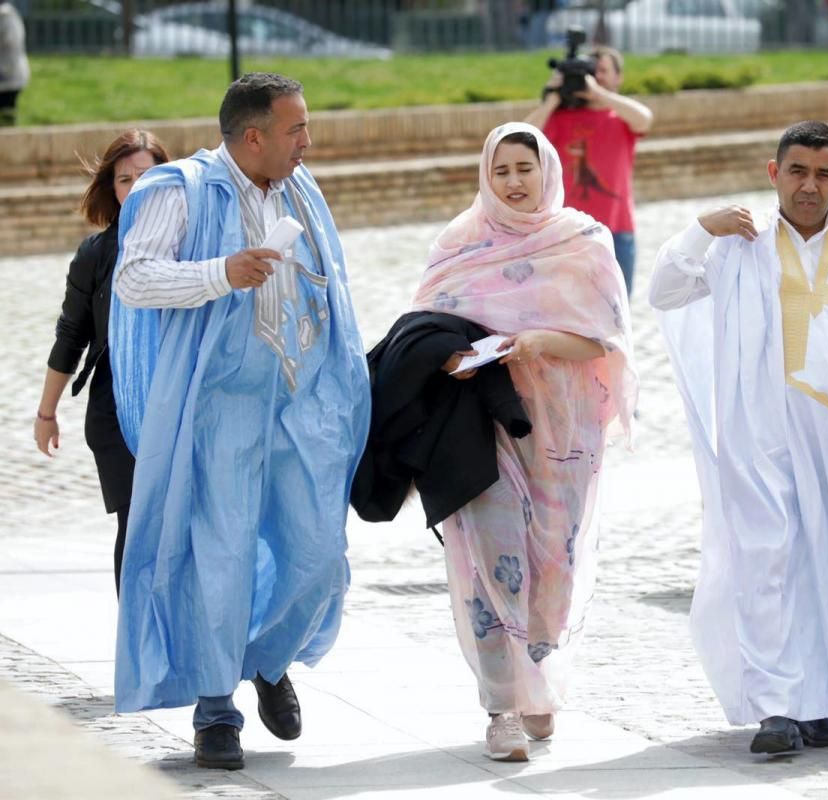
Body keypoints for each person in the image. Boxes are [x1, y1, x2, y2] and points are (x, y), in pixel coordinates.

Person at [648, 121, 828, 754]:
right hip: (761, 435)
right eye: (797, 172)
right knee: (767, 563)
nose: (809, 186)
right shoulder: (738, 246)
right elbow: (664, 292)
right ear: (773, 173)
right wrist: (701, 228)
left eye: (822, 173)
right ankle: (777, 708)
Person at [109, 72, 370, 771]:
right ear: (252, 136)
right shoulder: (179, 190)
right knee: (218, 558)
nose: (307, 143)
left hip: (300, 400)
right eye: (296, 130)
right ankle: (215, 708)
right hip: (216, 406)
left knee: (317, 556)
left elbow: (332, 286)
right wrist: (220, 273)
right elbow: (134, 278)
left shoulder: (300, 189)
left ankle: (269, 658)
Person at [409, 121, 636, 761]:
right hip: (478, 427)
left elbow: (607, 337)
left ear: (547, 171)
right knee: (488, 560)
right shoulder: (459, 242)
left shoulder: (585, 242)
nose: (512, 182)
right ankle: (502, 706)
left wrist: (536, 342)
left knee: (552, 564)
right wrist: (453, 359)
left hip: (563, 428)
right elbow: (423, 331)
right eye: (501, 170)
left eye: (524, 168)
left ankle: (539, 678)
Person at [34, 130, 170, 596]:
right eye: (125, 179)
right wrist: (47, 413)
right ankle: (136, 645)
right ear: (112, 190)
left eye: (148, 176)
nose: (137, 188)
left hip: (178, 403)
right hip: (115, 411)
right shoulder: (95, 255)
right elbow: (71, 336)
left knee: (184, 525)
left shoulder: (191, 244)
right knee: (136, 526)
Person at [525, 45, 652, 296]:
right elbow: (521, 136)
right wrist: (552, 98)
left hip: (617, 229)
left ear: (619, 77)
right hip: (566, 232)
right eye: (591, 71)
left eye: (602, 71)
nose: (595, 77)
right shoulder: (559, 119)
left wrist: (599, 93)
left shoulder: (620, 118)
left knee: (617, 308)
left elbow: (645, 118)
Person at [0, 0, 30, 126]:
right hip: (8, 72)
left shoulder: (5, 16)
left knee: (6, 111)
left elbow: (10, 41)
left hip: (8, 73)